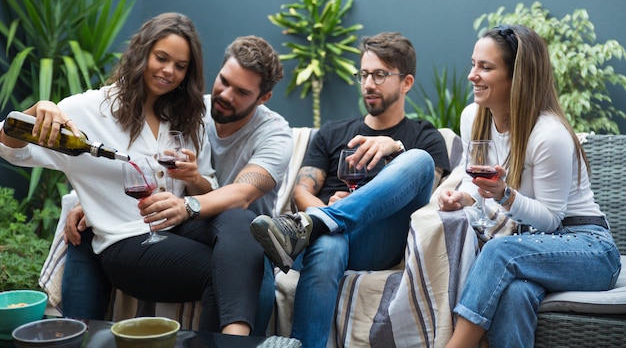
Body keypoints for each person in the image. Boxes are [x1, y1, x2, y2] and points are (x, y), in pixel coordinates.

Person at [62, 34, 292, 336]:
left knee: (245, 242)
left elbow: (241, 194)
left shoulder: (275, 134)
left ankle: (240, 342)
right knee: (85, 229)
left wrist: (188, 202)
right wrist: (96, 202)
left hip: (238, 235)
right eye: (223, 81)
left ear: (263, 98)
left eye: (241, 92)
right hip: (183, 224)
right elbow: (136, 160)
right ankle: (73, 333)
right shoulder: (191, 110)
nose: (225, 94)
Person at [250, 32, 451, 348]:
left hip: (378, 238)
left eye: (380, 75)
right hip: (322, 239)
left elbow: (432, 192)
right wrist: (324, 208)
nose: (369, 83)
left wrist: (395, 148)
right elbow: (301, 192)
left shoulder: (423, 135)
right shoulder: (332, 132)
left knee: (419, 160)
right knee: (327, 245)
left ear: (406, 82)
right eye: (364, 74)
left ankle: (322, 222)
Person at [438, 24, 621, 348]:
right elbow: (471, 179)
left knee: (498, 252)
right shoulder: (473, 117)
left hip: (589, 249)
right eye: (473, 64)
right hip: (534, 248)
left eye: (486, 67)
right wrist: (463, 197)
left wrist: (505, 195)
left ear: (516, 77)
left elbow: (552, 219)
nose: (472, 75)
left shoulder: (548, 134)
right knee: (514, 293)